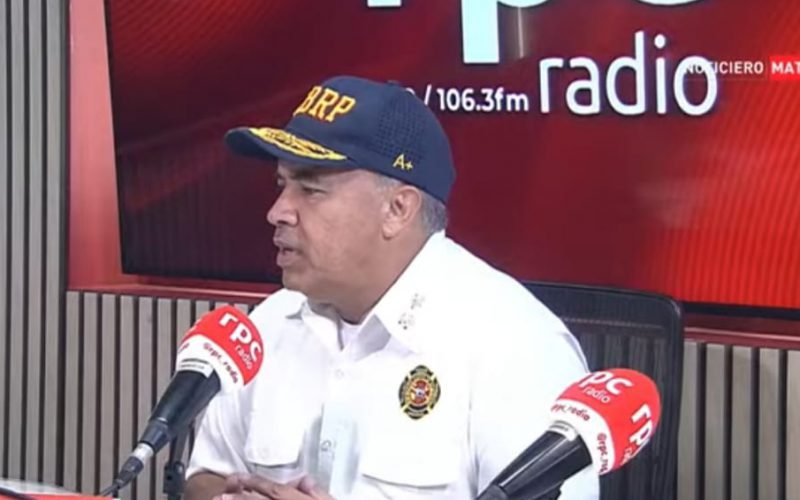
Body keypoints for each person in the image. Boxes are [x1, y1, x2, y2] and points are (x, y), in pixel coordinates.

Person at [184, 75, 599, 500]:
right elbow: (203, 477)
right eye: (281, 185)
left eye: (310, 189)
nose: (278, 212)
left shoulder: (517, 347)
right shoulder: (269, 324)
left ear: (397, 209)